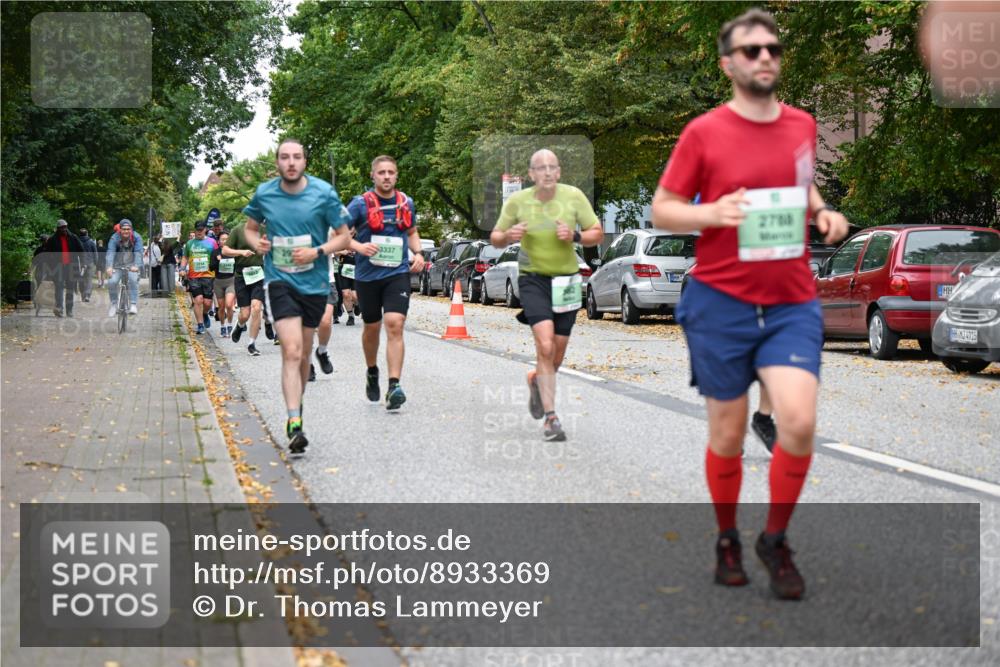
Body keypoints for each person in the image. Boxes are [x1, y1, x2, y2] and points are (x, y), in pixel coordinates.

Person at [650, 8, 850, 600]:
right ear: (729, 63)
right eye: (752, 50)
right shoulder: (704, 132)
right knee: (729, 434)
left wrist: (820, 212)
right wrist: (710, 213)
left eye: (773, 49)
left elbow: (801, 180)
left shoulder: (802, 125)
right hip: (721, 303)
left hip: (789, 299)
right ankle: (727, 537)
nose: (766, 57)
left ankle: (775, 538)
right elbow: (664, 207)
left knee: (798, 420)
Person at [242, 138, 351, 453]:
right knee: (290, 351)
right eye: (284, 157)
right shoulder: (265, 194)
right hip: (279, 281)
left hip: (315, 284)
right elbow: (250, 228)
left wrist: (317, 251)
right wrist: (255, 242)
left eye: (297, 157)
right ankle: (293, 421)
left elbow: (344, 236)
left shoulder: (323, 193)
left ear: (305, 162)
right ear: (277, 162)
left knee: (303, 353)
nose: (291, 162)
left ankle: (297, 407)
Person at [490, 149, 603, 441]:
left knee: (558, 350)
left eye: (552, 167)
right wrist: (509, 235)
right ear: (531, 175)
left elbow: (597, 232)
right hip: (533, 280)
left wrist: (576, 236)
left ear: (559, 172)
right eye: (541, 168)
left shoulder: (574, 196)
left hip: (566, 279)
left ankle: (537, 381)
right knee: (545, 344)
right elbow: (495, 238)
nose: (547, 172)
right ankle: (551, 419)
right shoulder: (518, 201)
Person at [345, 155, 424, 410]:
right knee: (371, 327)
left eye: (391, 172)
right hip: (367, 276)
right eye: (382, 172)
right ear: (373, 176)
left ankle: (394, 385)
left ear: (396, 175)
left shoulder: (406, 203)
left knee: (394, 324)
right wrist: (358, 246)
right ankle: (371, 371)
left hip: (396, 274)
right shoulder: (359, 205)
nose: (387, 176)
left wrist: (419, 253)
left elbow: (411, 232)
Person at [223, 222, 266, 356]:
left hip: (258, 274)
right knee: (245, 314)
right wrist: (241, 252)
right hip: (241, 275)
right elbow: (225, 250)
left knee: (257, 308)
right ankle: (240, 325)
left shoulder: (265, 230)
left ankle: (252, 343)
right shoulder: (237, 230)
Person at [180, 220, 219, 334]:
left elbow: (217, 255)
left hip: (209, 276)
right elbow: (185, 257)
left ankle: (205, 313)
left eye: (201, 230)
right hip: (194, 276)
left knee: (207, 303)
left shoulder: (212, 242)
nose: (199, 232)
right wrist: (182, 269)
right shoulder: (190, 243)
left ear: (205, 230)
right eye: (197, 230)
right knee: (198, 300)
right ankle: (200, 325)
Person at [40, 219, 85, 317]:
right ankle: (59, 308)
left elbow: (81, 250)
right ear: (58, 228)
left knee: (70, 289)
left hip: (71, 267)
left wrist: (82, 263)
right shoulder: (52, 239)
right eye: (62, 227)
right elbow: (47, 254)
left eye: (65, 227)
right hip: (58, 268)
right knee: (59, 288)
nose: (64, 229)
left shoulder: (73, 237)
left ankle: (69, 310)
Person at [105, 219, 144, 316]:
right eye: (124, 229)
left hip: (132, 265)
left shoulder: (137, 237)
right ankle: (114, 304)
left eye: (128, 229)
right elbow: (110, 252)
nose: (126, 231)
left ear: (131, 229)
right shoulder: (114, 238)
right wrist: (109, 266)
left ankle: (133, 304)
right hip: (117, 265)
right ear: (120, 230)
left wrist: (136, 265)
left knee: (133, 280)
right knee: (112, 282)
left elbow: (138, 253)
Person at [210, 231, 237, 336]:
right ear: (219, 241)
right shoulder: (215, 252)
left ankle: (230, 324)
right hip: (218, 282)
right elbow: (211, 267)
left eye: (227, 239)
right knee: (221, 307)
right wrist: (218, 261)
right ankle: (222, 326)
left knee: (229, 304)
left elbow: (238, 266)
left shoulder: (233, 252)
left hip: (231, 281)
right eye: (222, 239)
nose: (225, 241)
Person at [77, 228, 98, 302]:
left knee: (81, 280)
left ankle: (83, 295)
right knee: (89, 280)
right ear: (87, 234)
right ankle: (87, 296)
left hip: (80, 263)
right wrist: (96, 263)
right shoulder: (91, 242)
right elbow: (95, 253)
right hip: (90, 263)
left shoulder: (77, 242)